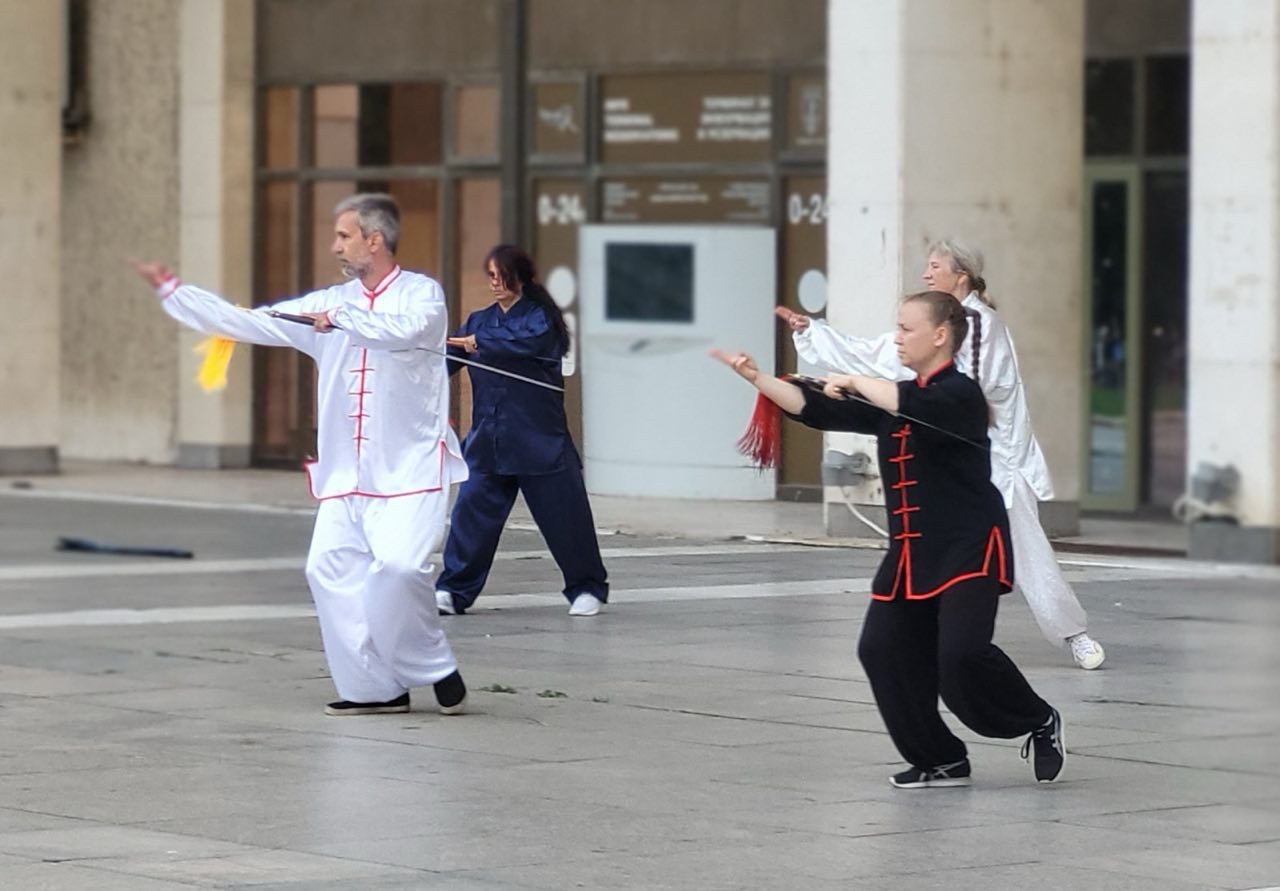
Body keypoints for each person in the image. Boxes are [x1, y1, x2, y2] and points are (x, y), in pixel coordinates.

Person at [131, 192, 470, 716]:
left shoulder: (421, 295)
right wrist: (176, 293)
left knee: (399, 570)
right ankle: (374, 689)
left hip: (410, 470)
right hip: (345, 475)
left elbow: (402, 333)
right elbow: (253, 322)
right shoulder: (329, 303)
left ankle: (432, 665)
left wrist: (343, 319)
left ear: (374, 240)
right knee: (327, 571)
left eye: (344, 236)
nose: (335, 246)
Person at [714, 290, 1066, 787]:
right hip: (911, 553)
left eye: (906, 328)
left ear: (939, 336)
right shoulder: (895, 396)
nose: (897, 338)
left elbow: (910, 403)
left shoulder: (961, 394)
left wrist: (856, 379)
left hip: (967, 547)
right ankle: (940, 757)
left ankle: (1039, 719)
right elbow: (819, 409)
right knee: (880, 650)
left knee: (961, 656)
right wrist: (758, 378)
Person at [779, 240, 1106, 671]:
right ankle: (936, 636)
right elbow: (878, 353)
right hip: (942, 457)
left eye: (936, 266)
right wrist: (814, 332)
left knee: (1026, 548)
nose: (927, 273)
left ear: (961, 275)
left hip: (989, 458)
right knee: (936, 544)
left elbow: (968, 391)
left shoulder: (982, 325)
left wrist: (900, 392)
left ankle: (1073, 633)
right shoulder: (929, 323)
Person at [435, 245, 609, 618]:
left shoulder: (542, 319)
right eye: (491, 276)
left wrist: (480, 343)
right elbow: (447, 361)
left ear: (524, 278)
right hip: (488, 441)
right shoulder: (479, 320)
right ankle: (453, 589)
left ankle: (586, 587)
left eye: (504, 276)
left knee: (566, 520)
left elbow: (521, 344)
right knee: (470, 516)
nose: (496, 283)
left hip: (539, 441)